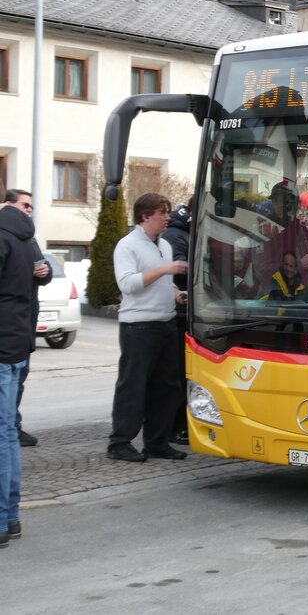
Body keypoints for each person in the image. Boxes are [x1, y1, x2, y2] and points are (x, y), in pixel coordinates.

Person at [107, 193, 190, 463]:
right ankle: (120, 442)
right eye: (161, 212)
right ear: (144, 216)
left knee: (167, 387)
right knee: (133, 386)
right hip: (138, 327)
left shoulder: (163, 245)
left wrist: (176, 292)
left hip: (165, 323)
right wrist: (166, 271)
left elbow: (160, 282)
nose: (167, 217)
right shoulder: (127, 246)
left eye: (167, 212)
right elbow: (128, 284)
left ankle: (156, 442)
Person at [0, 191, 38, 546]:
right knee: (7, 432)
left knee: (2, 433)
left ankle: (2, 520)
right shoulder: (25, 238)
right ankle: (10, 517)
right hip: (16, 340)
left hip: (4, 343)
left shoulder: (4, 236)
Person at [3, 190, 52, 449]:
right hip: (11, 326)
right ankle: (11, 425)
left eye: (32, 206)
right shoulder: (8, 235)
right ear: (8, 204)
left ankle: (13, 424)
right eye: (24, 205)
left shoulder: (27, 237)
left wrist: (44, 272)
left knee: (18, 379)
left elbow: (43, 270)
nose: (29, 210)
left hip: (23, 323)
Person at [161, 200, 192, 445]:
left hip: (187, 311)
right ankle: (174, 426)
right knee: (177, 374)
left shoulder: (185, 231)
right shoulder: (175, 235)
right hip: (178, 313)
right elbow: (179, 269)